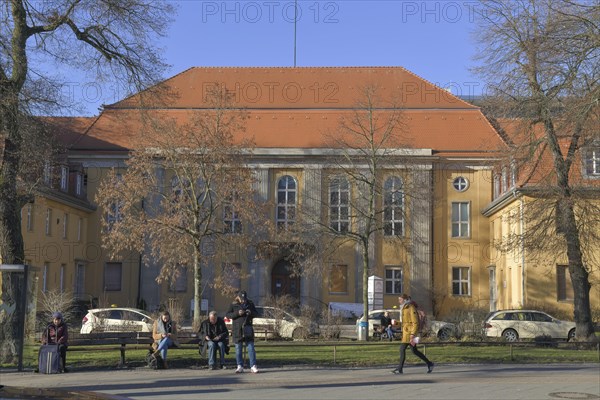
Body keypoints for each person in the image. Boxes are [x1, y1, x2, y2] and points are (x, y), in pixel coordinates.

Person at [392, 294, 434, 374]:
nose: (399, 301)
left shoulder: (410, 308)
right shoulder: (404, 308)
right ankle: (429, 363)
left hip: (410, 334)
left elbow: (415, 322)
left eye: (400, 300)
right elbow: (405, 323)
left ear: (404, 300)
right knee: (414, 351)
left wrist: (413, 334)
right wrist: (396, 323)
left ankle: (400, 368)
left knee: (402, 349)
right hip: (407, 333)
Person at [226, 290, 258, 374]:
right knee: (238, 349)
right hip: (237, 329)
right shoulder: (233, 304)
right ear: (238, 298)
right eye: (241, 299)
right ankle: (239, 366)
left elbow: (256, 313)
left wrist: (250, 313)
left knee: (251, 348)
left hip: (247, 328)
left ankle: (253, 366)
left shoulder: (250, 303)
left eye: (244, 299)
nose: (243, 300)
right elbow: (228, 315)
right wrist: (237, 313)